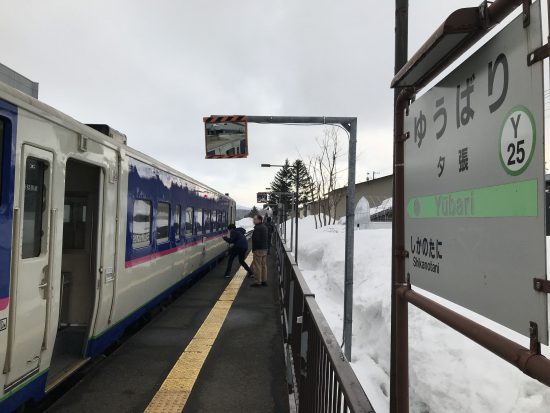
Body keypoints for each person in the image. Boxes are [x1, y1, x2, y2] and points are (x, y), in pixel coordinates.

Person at [251, 214, 268, 287]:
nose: (253, 220)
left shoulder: (257, 228)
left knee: (257, 266)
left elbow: (256, 239)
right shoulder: (264, 227)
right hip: (264, 249)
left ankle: (258, 282)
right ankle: (264, 280)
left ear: (259, 220)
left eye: (255, 219)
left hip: (258, 249)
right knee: (263, 265)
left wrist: (254, 249)